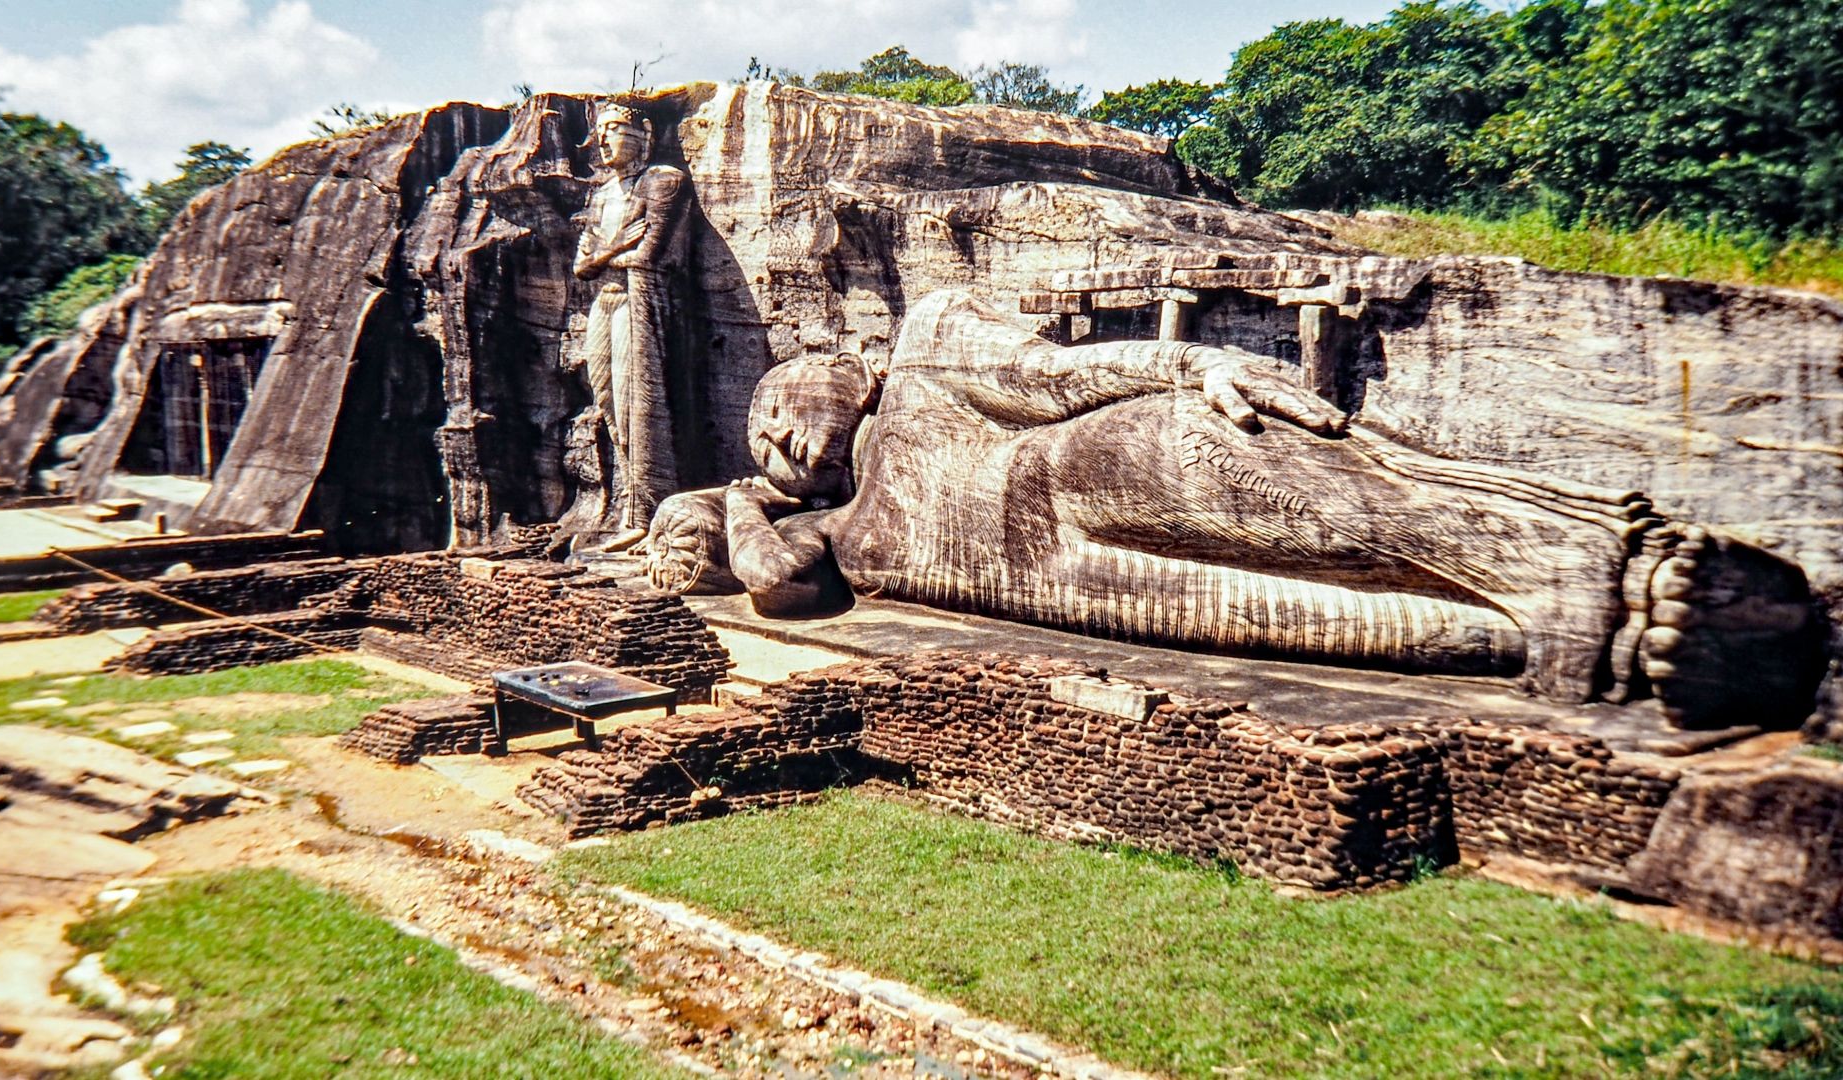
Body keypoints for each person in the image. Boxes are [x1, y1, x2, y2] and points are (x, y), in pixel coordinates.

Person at [647, 290, 1823, 728]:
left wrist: (1187, 368)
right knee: (1339, 621)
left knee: (1337, 516)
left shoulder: (923, 352)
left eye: (781, 403)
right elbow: (775, 591)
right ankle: (1604, 641)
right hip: (1079, 585)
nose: (783, 435)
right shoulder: (839, 535)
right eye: (764, 443)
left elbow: (1058, 375)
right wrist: (730, 503)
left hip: (1100, 461)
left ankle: (1604, 560)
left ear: (833, 364)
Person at [569, 101, 691, 546]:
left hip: (643, 301)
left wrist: (607, 252)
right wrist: (611, 248)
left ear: (644, 132)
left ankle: (650, 514)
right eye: (599, 132)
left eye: (615, 128)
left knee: (637, 402)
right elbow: (582, 267)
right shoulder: (602, 196)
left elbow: (648, 257)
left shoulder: (664, 182)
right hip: (606, 300)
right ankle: (630, 508)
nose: (603, 140)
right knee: (607, 401)